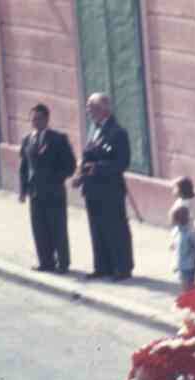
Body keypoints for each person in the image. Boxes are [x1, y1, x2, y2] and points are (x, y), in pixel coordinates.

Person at [73, 93, 133, 281]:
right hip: (92, 190)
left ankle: (122, 267)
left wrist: (96, 168)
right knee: (97, 228)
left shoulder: (117, 132)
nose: (90, 111)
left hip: (110, 190)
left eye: (94, 107)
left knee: (115, 229)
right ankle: (102, 266)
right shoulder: (94, 129)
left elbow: (122, 163)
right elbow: (87, 156)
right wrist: (79, 174)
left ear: (106, 108)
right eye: (89, 108)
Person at [18, 103, 76, 273]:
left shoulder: (58, 139)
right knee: (39, 228)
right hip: (35, 192)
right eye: (32, 119)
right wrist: (23, 190)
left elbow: (70, 165)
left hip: (54, 192)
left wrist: (56, 180)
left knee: (57, 228)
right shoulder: (27, 140)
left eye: (38, 119)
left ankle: (63, 263)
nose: (34, 122)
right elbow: (23, 167)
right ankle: (46, 262)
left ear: (46, 119)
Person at [170, 205, 195, 293]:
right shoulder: (175, 231)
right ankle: (187, 299)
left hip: (189, 264)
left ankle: (188, 299)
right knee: (184, 285)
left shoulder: (190, 232)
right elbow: (175, 244)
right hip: (181, 263)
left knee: (188, 285)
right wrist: (172, 245)